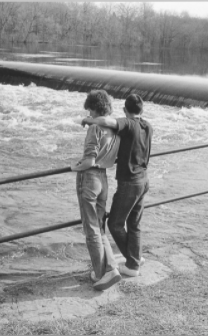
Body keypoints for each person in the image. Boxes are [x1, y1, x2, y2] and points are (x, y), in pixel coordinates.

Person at [82, 94, 153, 277]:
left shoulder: (129, 124)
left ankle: (132, 262)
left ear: (124, 110)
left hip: (129, 183)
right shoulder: (148, 126)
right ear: (142, 110)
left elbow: (107, 121)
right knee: (134, 223)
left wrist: (88, 119)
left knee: (114, 224)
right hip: (143, 180)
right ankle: (136, 259)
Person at [71, 90, 122, 291]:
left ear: (94, 108)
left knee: (91, 228)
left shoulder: (94, 128)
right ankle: (110, 268)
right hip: (104, 178)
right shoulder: (115, 129)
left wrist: (74, 167)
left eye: (90, 111)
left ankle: (102, 273)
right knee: (99, 227)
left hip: (90, 177)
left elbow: (89, 160)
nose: (89, 115)